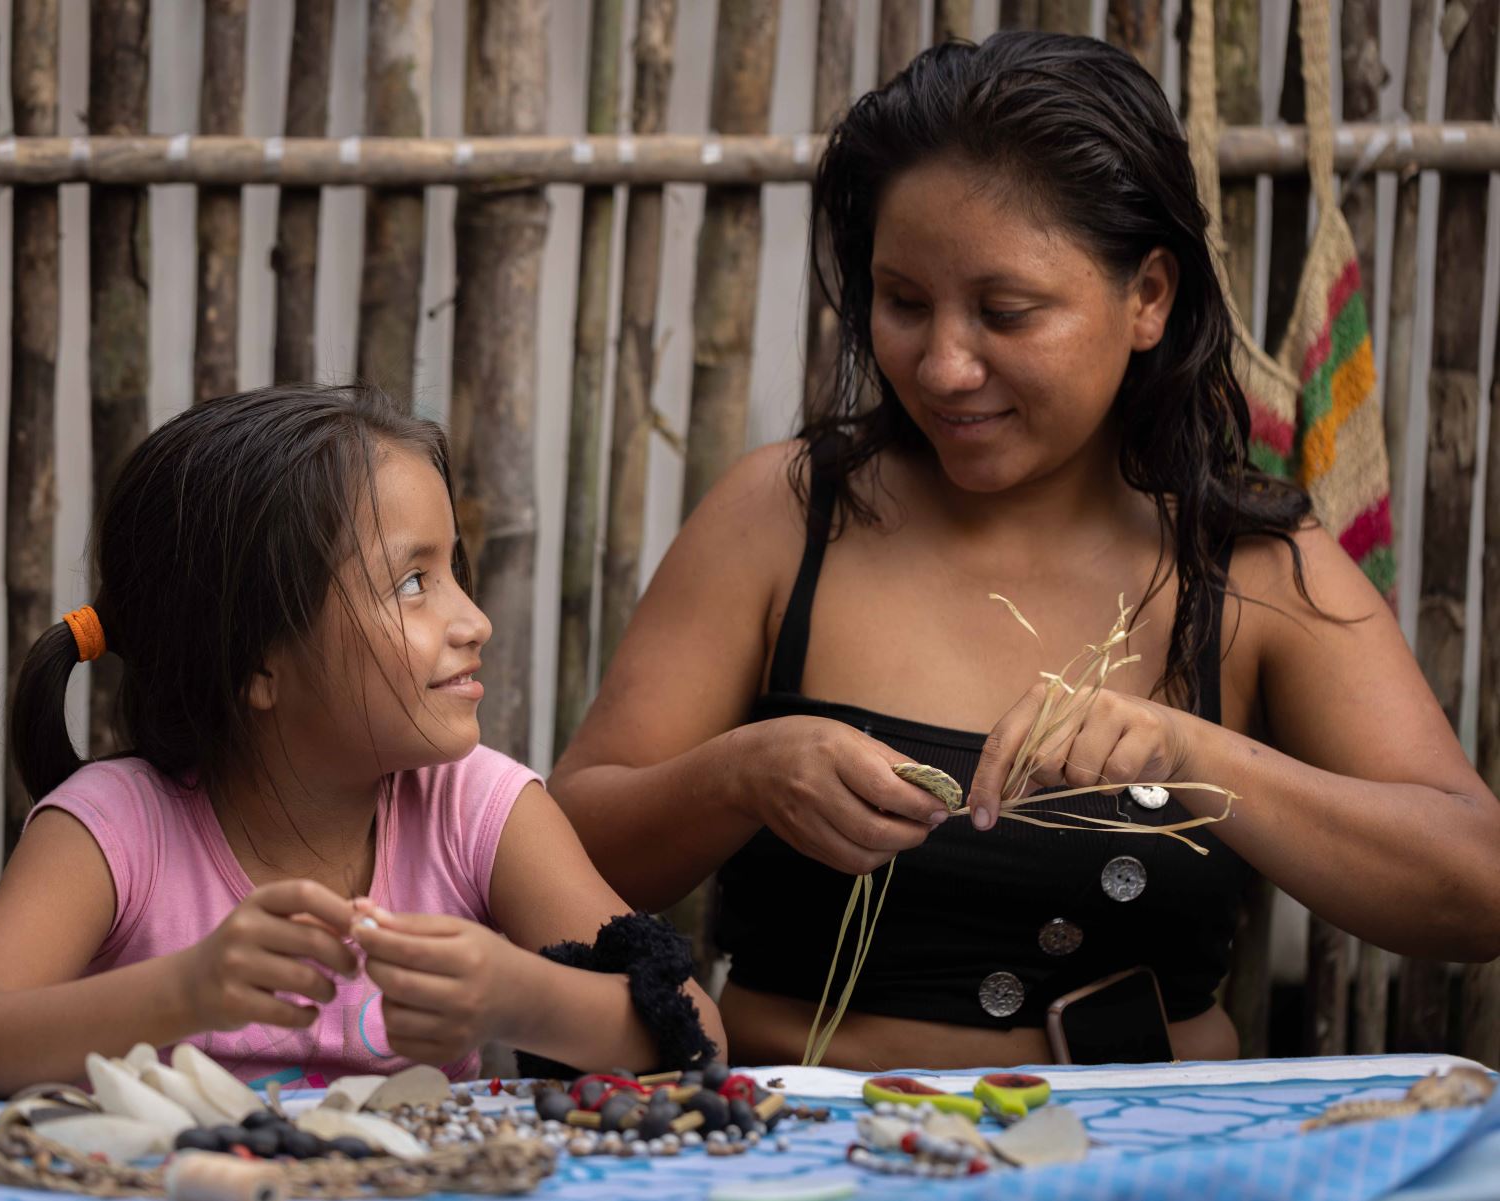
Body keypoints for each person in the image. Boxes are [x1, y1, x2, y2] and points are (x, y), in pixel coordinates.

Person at [550, 32, 1500, 1069]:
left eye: (1005, 313)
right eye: (905, 303)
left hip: (1156, 1155)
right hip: (808, 1152)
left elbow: (1476, 885)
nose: (945, 365)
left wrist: (1195, 755)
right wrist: (739, 776)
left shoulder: (1252, 564)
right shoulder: (786, 517)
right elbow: (564, 850)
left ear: (1147, 297)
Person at [0, 385, 723, 1121]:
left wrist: (516, 996)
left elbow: (699, 1037)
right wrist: (185, 991)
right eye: (413, 583)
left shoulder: (475, 809)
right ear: (256, 662)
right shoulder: (117, 827)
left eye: (453, 569)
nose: (475, 621)